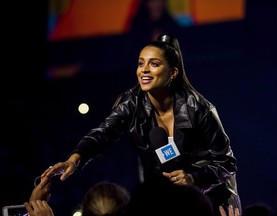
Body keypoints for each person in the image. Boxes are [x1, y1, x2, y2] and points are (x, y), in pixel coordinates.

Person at [41, 33, 242, 215]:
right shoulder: (132, 102)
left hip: (210, 198)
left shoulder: (199, 109)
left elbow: (227, 162)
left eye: (154, 64)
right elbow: (103, 133)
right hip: (165, 197)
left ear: (173, 72)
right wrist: (74, 159)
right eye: (140, 63)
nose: (144, 70)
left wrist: (194, 178)